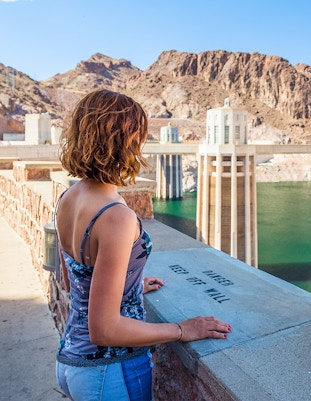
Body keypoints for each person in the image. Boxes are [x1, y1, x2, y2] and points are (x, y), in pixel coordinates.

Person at [55, 89, 231, 401]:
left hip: (70, 361)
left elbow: (73, 280)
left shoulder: (68, 198)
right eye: (137, 136)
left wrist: (128, 287)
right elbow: (104, 329)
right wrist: (181, 329)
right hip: (110, 372)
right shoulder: (116, 217)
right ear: (121, 141)